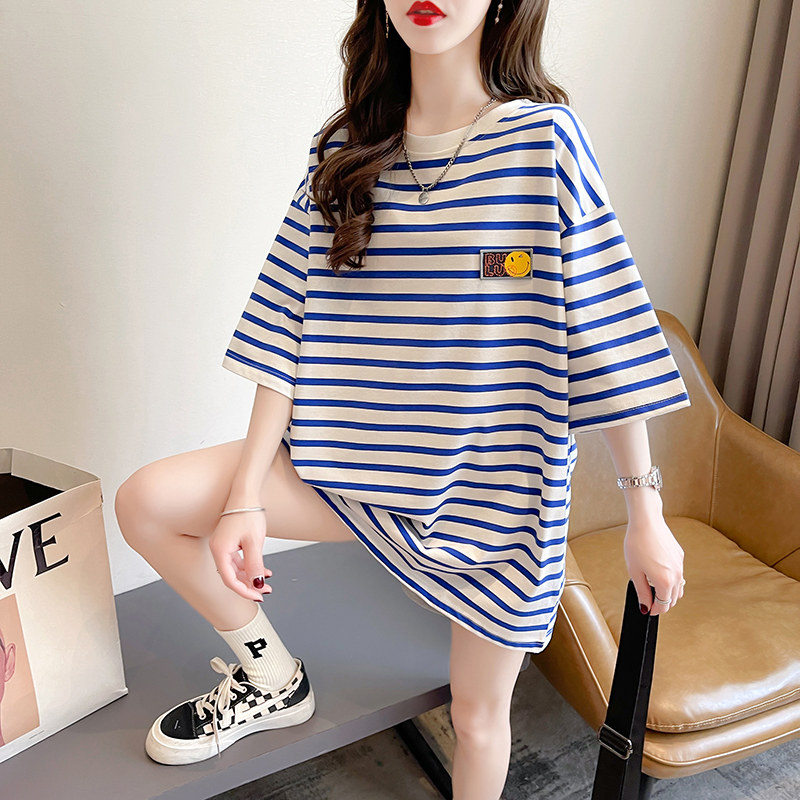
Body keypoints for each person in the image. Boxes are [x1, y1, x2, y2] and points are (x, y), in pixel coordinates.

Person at [114, 1, 690, 796]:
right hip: (346, 471)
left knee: (479, 719)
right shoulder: (346, 152)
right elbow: (286, 325)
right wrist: (245, 495)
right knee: (145, 503)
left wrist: (644, 512)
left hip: (493, 507)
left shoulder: (542, 144)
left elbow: (603, 332)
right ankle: (272, 679)